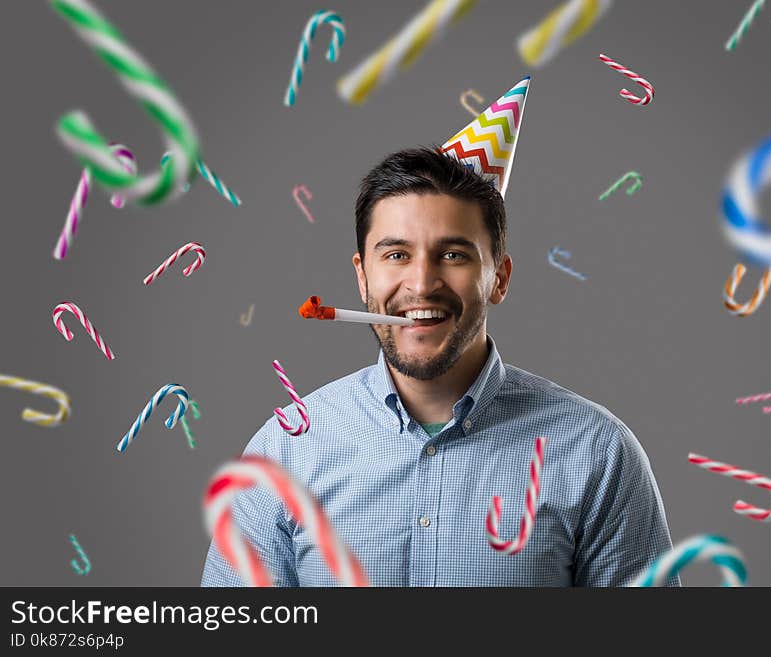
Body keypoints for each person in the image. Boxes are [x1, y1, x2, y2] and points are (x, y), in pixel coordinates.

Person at [201, 77, 678, 587]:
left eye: (452, 255)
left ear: (500, 278)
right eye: (397, 255)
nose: (422, 283)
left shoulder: (597, 454)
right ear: (362, 277)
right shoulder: (285, 451)